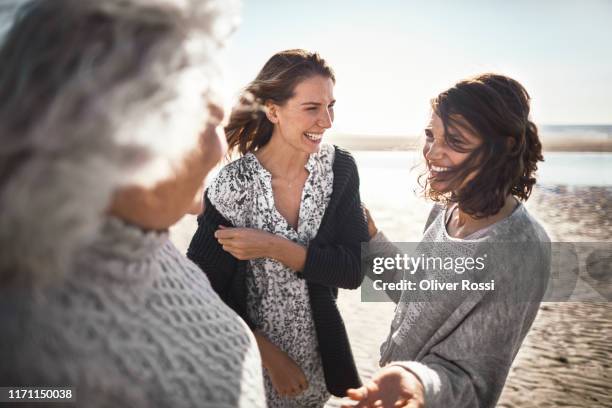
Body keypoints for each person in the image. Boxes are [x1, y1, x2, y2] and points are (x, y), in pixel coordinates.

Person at [0, 1, 266, 407]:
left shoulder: (145, 243)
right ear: (126, 132)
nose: (220, 148)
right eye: (213, 120)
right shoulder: (32, 361)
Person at [343, 74, 551, 408]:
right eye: (430, 135)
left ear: (505, 147)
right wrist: (370, 236)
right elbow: (418, 293)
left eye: (455, 141)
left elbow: (475, 382)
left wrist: (417, 383)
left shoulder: (521, 250)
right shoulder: (448, 208)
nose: (432, 153)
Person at [187, 49, 369, 407]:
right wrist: (266, 353)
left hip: (319, 366)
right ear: (273, 111)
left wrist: (274, 247)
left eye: (331, 106)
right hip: (247, 368)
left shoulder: (340, 170)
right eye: (312, 108)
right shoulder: (233, 185)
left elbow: (354, 270)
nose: (327, 121)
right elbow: (201, 290)